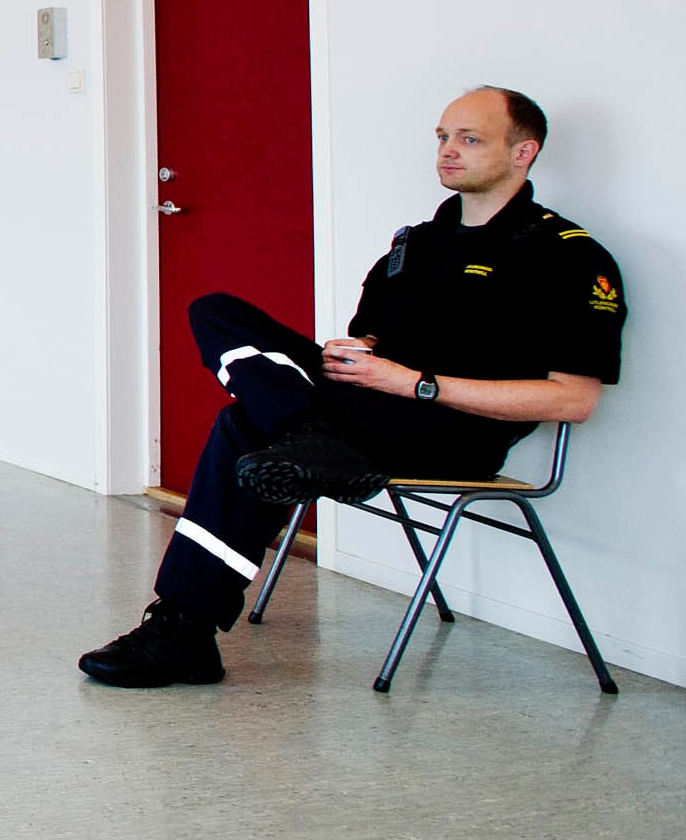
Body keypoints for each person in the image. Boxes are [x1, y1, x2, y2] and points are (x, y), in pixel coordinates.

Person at [79, 86, 626, 688]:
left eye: (469, 139)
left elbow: (575, 399)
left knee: (243, 425)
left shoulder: (567, 256)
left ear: (523, 152)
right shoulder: (417, 244)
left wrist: (416, 385)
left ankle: (183, 628)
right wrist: (356, 351)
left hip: (454, 430)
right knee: (215, 310)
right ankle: (306, 437)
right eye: (443, 137)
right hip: (365, 410)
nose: (447, 151)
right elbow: (370, 336)